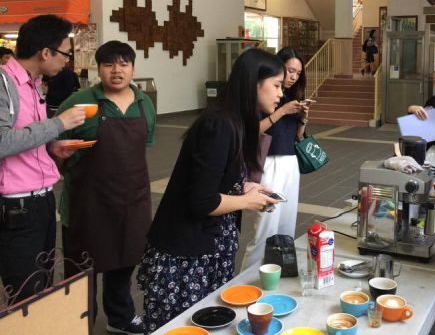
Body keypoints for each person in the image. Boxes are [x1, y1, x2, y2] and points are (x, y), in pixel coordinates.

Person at [137, 48, 283, 333]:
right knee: (181, 326)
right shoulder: (219, 124)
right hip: (186, 252)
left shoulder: (237, 122)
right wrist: (247, 201)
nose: (280, 94)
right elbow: (202, 201)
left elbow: (216, 179)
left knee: (209, 321)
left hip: (210, 245)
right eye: (277, 85)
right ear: (255, 82)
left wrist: (246, 187)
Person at [57, 41, 156, 335]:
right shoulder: (80, 101)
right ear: (98, 69)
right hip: (88, 203)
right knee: (81, 269)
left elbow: (143, 146)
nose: (117, 71)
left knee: (125, 260)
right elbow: (53, 143)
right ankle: (78, 323)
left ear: (133, 68)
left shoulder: (143, 103)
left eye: (124, 64)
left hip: (132, 198)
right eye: (109, 64)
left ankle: (120, 317)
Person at [0, 15, 86, 303]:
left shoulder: (33, 83)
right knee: (26, 294)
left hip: (42, 199)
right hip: (16, 206)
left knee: (42, 284)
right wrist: (58, 124)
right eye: (65, 52)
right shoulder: (4, 84)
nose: (66, 60)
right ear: (45, 52)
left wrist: (52, 147)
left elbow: (26, 136)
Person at [241, 47, 310, 270]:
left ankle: (278, 273)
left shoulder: (292, 97)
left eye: (298, 73)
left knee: (286, 223)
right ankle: (246, 278)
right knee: (265, 227)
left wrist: (302, 119)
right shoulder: (265, 95)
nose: (293, 76)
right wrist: (281, 111)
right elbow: (253, 130)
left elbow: (297, 137)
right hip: (268, 163)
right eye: (290, 70)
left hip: (290, 163)